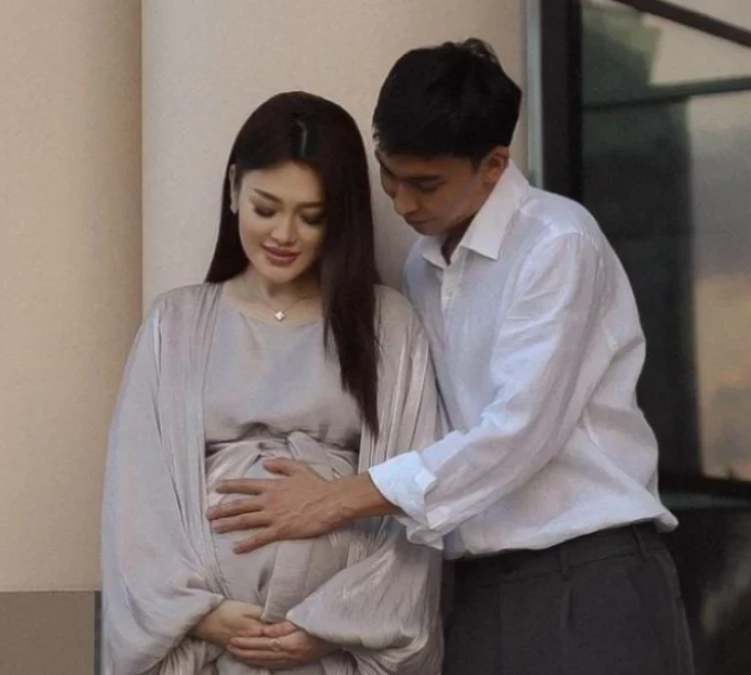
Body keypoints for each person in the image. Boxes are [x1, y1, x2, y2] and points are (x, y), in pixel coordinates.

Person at [208, 40, 695, 675]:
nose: (403, 203)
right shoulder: (422, 265)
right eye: (390, 176)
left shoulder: (557, 243)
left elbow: (517, 433)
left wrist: (336, 499)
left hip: (586, 576)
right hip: (473, 589)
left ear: (494, 165)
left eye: (426, 184)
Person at [101, 91, 443, 675]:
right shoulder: (175, 324)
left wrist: (328, 625)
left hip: (334, 653)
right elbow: (135, 500)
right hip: (209, 653)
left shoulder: (390, 326)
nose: (284, 234)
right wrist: (202, 614)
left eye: (311, 217)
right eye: (266, 208)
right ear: (234, 188)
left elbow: (416, 499)